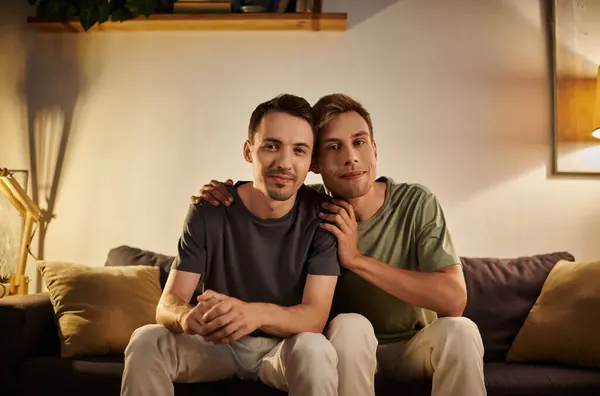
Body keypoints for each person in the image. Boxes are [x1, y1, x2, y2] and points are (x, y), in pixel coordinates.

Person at [191, 93, 487, 396]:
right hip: (342, 346)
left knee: (462, 331)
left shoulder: (416, 203)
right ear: (314, 163)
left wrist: (356, 259)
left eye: (359, 142)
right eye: (334, 147)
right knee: (350, 325)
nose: (350, 157)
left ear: (374, 149)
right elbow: (264, 197)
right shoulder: (307, 209)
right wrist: (219, 194)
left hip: (412, 347)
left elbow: (454, 301)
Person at [120, 94, 343, 396]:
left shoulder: (323, 216)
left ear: (311, 161)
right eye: (271, 146)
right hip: (216, 345)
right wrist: (186, 317)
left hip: (284, 349)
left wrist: (253, 314)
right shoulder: (209, 209)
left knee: (315, 349)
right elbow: (167, 305)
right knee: (147, 340)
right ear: (249, 151)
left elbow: (315, 317)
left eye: (299, 150)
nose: (285, 163)